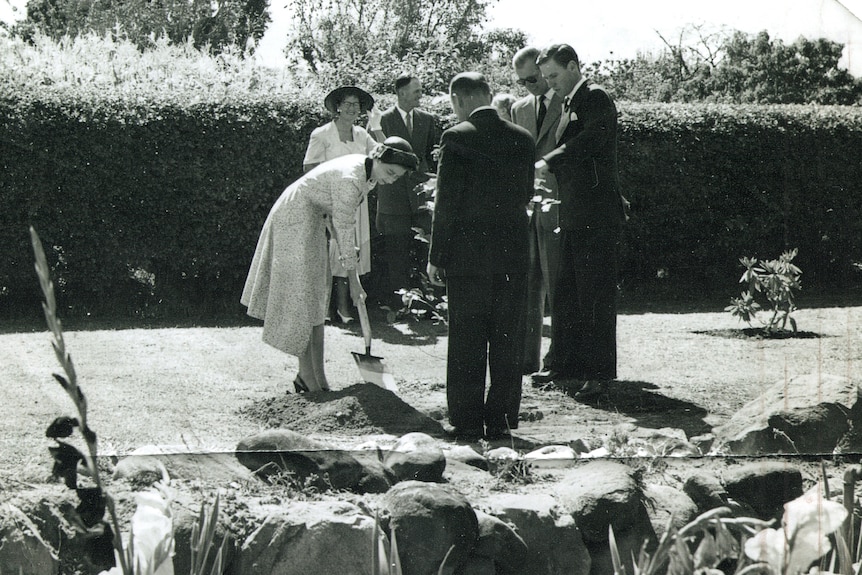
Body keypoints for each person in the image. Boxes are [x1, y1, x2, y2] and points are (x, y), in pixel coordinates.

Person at [242, 138, 419, 393]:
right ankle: (307, 377)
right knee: (303, 297)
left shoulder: (366, 174)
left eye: (397, 177)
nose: (391, 180)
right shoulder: (351, 179)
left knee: (315, 299)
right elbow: (345, 227)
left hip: (312, 220)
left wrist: (342, 241)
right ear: (378, 158)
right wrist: (354, 283)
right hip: (294, 220)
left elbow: (338, 217)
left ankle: (317, 377)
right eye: (390, 172)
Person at [427, 72, 535, 440]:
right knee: (508, 337)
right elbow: (525, 195)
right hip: (512, 255)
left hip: (468, 257)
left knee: (467, 339)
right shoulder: (523, 139)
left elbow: (446, 204)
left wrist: (436, 255)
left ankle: (467, 419)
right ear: (488, 95)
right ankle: (502, 419)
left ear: (458, 100)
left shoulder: (456, 137)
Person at [533, 44, 627, 398]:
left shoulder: (595, 97)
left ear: (573, 66)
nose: (550, 84)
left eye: (554, 76)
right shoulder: (570, 101)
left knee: (595, 296)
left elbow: (594, 138)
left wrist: (550, 160)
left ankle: (598, 375)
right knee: (568, 293)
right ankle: (565, 367)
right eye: (546, 78)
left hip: (597, 217)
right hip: (574, 214)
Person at [303, 86, 382, 323]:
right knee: (330, 252)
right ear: (337, 107)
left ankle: (344, 307)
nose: (351, 109)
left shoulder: (362, 135)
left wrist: (376, 127)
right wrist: (325, 202)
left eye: (356, 105)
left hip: (356, 202)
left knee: (350, 251)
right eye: (346, 104)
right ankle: (331, 308)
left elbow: (388, 154)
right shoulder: (322, 134)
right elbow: (309, 169)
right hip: (328, 202)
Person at [510, 46, 563, 378]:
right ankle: (525, 359)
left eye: (533, 78)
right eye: (522, 81)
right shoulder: (519, 110)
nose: (529, 85)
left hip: (558, 207)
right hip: (527, 209)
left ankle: (558, 360)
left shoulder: (568, 103)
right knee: (525, 287)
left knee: (558, 284)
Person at [374, 74, 439, 310]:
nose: (421, 95)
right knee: (396, 252)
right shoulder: (382, 120)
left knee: (425, 249)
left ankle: (427, 303)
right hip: (393, 196)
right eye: (416, 91)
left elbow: (431, 157)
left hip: (420, 197)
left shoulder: (428, 119)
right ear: (401, 93)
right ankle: (397, 304)